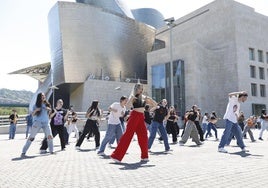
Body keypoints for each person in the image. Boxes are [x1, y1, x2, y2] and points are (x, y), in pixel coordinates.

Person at [110, 83, 157, 163]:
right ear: (136, 89)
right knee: (128, 135)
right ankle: (116, 156)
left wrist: (150, 99)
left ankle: (144, 156)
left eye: (142, 88)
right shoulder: (133, 97)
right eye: (139, 88)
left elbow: (155, 105)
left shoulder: (144, 97)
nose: (141, 90)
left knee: (144, 136)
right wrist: (131, 99)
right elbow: (127, 106)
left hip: (141, 117)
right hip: (134, 116)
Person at [21, 93, 54, 157]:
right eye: (42, 96)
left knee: (50, 136)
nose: (43, 97)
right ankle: (23, 151)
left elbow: (49, 114)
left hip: (46, 122)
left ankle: (51, 150)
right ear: (39, 97)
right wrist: (36, 110)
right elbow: (32, 115)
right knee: (31, 137)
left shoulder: (47, 104)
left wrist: (49, 109)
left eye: (44, 96)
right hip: (37, 122)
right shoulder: (35, 105)